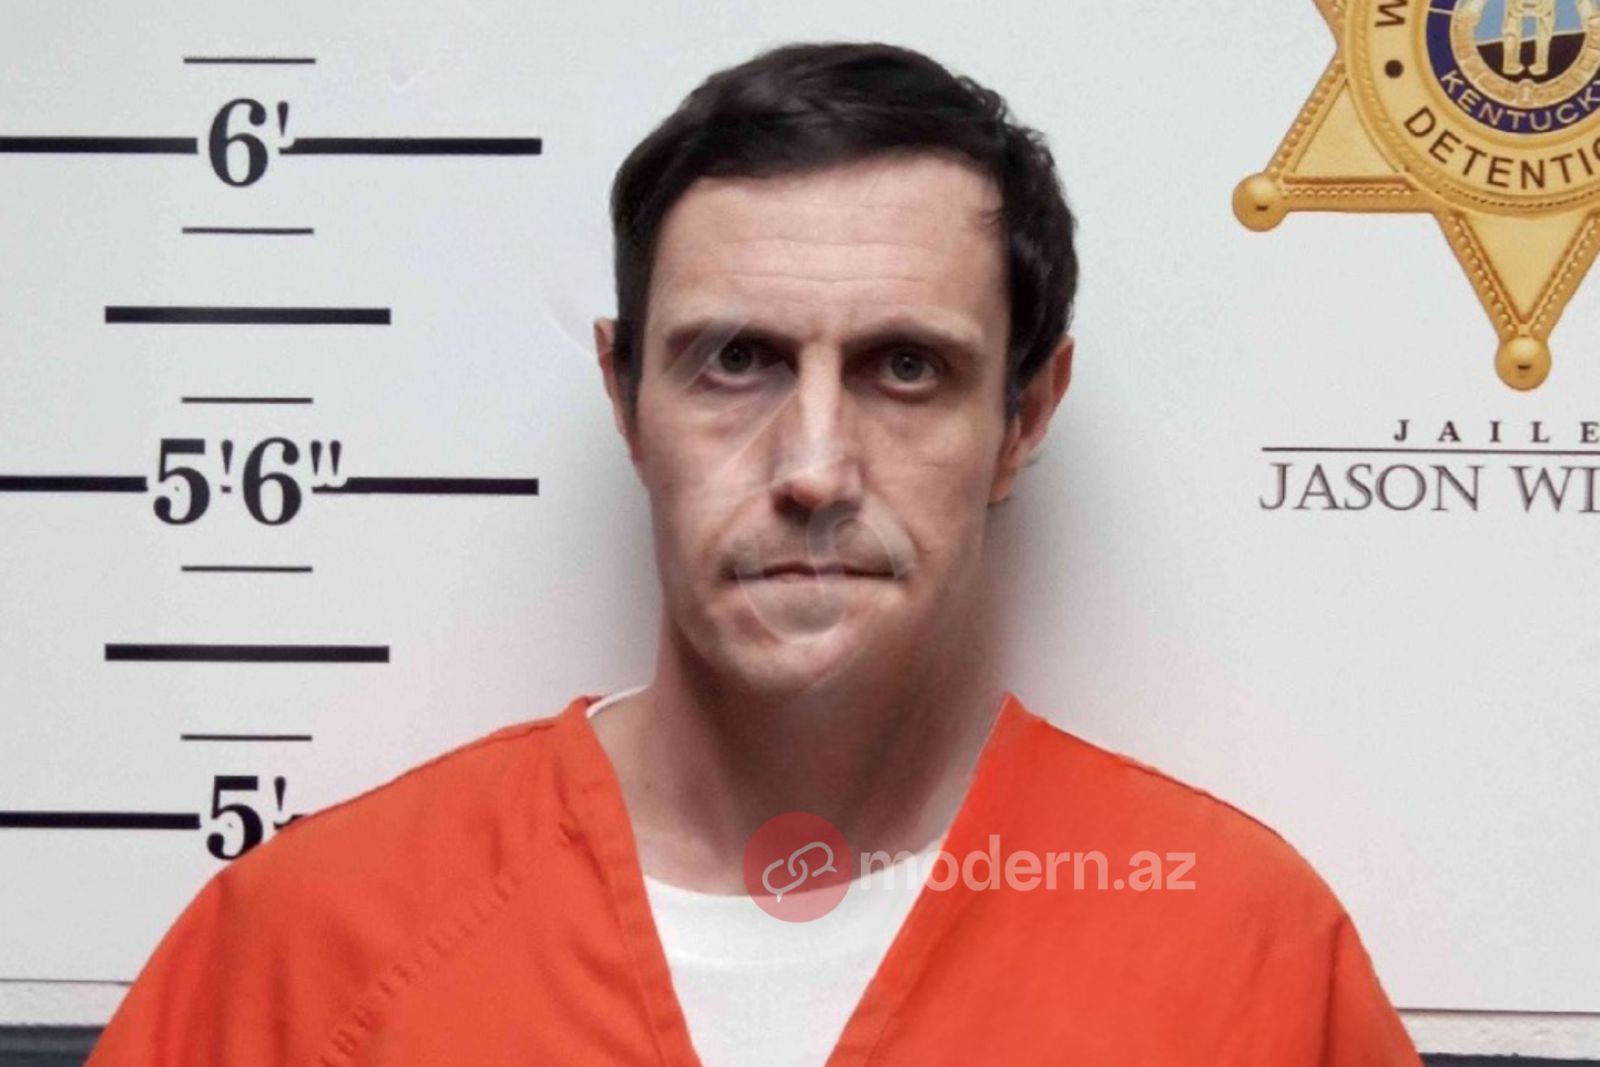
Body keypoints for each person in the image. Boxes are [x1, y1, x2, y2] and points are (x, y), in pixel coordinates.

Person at [85, 40, 1424, 1066]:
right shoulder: (311, 951)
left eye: (907, 368)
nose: (814, 471)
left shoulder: (1246, 957)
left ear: (1024, 418)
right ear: (626, 399)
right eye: (736, 361)